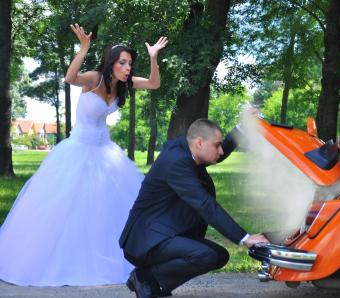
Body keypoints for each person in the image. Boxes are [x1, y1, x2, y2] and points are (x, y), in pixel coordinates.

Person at [0, 24, 168, 286]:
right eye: (123, 63)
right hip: (77, 150)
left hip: (106, 154)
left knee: (109, 208)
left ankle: (115, 256)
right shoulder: (94, 78)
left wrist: (154, 57)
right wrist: (84, 48)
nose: (127, 68)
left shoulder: (124, 84)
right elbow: (69, 78)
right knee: (65, 207)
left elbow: (155, 83)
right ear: (112, 62)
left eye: (130, 64)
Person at [119, 118, 270, 298]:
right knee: (205, 256)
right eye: (217, 145)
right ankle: (144, 277)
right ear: (199, 142)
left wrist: (242, 128)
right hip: (146, 240)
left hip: (166, 232)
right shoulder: (176, 162)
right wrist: (245, 238)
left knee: (219, 255)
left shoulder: (188, 151)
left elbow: (217, 152)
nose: (221, 151)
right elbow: (205, 205)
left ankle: (151, 280)